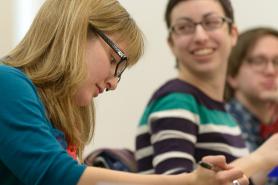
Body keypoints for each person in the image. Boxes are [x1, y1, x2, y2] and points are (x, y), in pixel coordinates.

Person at [0, 0, 250, 185]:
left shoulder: (55, 116)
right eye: (114, 60)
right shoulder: (7, 82)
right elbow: (56, 175)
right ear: (75, 32)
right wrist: (190, 181)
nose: (114, 83)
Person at [135, 0, 278, 184]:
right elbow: (177, 182)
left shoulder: (221, 113)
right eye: (184, 27)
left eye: (211, 23)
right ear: (171, 43)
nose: (200, 36)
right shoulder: (176, 100)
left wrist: (264, 165)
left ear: (233, 34)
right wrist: (259, 159)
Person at [225, 27, 278, 184]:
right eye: (258, 61)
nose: (270, 70)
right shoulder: (223, 122)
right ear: (232, 75)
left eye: (277, 62)